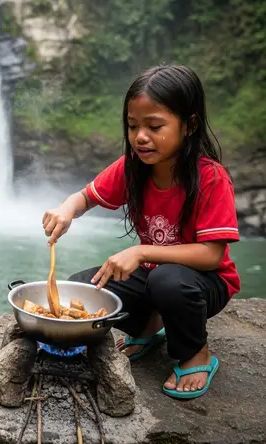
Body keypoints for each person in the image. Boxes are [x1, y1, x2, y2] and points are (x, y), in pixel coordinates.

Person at [42, 64, 240, 400]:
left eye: (154, 126)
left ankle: (197, 353)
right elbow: (85, 197)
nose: (141, 136)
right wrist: (66, 210)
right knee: (84, 286)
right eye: (133, 126)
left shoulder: (210, 178)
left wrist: (141, 251)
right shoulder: (133, 167)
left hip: (205, 284)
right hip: (154, 277)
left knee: (168, 281)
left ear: (189, 125)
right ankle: (149, 327)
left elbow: (212, 254)